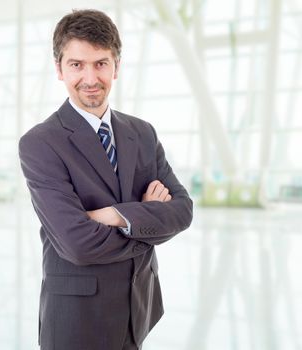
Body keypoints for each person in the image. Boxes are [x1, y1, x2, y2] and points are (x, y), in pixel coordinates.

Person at [18, 9, 193, 350]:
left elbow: (183, 211)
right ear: (59, 69)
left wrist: (114, 215)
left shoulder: (142, 133)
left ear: (116, 66)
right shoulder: (40, 143)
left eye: (100, 63)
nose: (90, 77)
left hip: (137, 310)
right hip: (77, 321)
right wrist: (146, 219)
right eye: (76, 64)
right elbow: (77, 244)